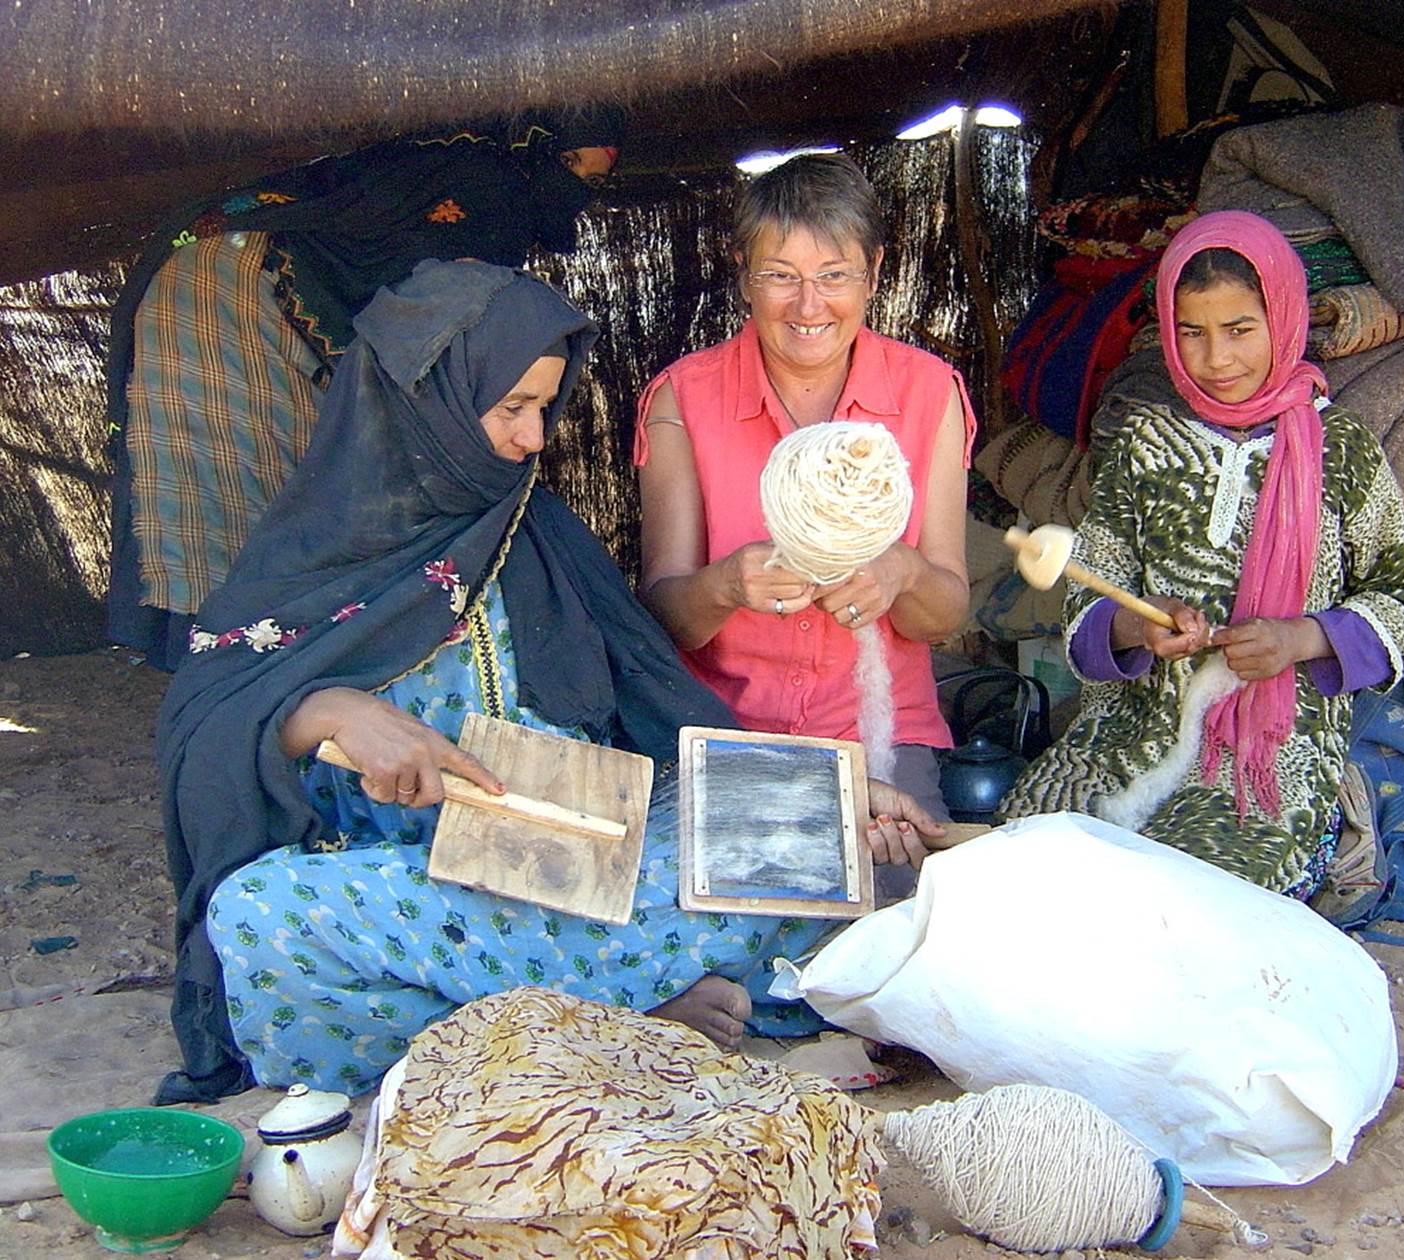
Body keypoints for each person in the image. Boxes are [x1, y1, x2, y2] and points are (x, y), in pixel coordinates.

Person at [159, 259, 945, 1102]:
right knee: (260, 915)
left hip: (588, 864)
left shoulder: (536, 530)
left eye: (542, 408)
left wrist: (829, 800)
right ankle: (624, 1014)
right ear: (428, 407)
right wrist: (326, 710)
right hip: (415, 888)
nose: (534, 439)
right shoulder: (314, 552)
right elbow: (202, 729)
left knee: (802, 863)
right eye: (512, 409)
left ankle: (565, 1024)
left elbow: (659, 712)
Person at [996, 210, 1404, 895]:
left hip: (1270, 761)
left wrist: (1303, 637)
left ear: (1283, 320)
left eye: (1240, 331)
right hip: (1125, 738)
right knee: (1025, 861)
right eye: (1192, 333)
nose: (1217, 359)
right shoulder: (1144, 439)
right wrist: (1138, 624)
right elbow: (1093, 590)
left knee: (1193, 898)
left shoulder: (1340, 448)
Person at [107, 108, 623, 669]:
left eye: (591, 180)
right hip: (230, 284)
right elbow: (439, 332)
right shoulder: (487, 187)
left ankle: (263, 653)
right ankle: (229, 658)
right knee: (241, 472)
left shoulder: (488, 182)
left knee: (297, 472)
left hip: (260, 283)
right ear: (539, 148)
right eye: (569, 165)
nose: (575, 187)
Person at [634, 152, 975, 831]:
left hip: (880, 737)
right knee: (727, 918)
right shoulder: (684, 397)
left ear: (874, 272)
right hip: (721, 735)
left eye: (835, 276)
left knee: (894, 906)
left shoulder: (928, 392)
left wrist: (900, 573)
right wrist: (727, 584)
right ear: (744, 275)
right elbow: (662, 615)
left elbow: (945, 615)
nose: (809, 305)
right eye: (781, 277)